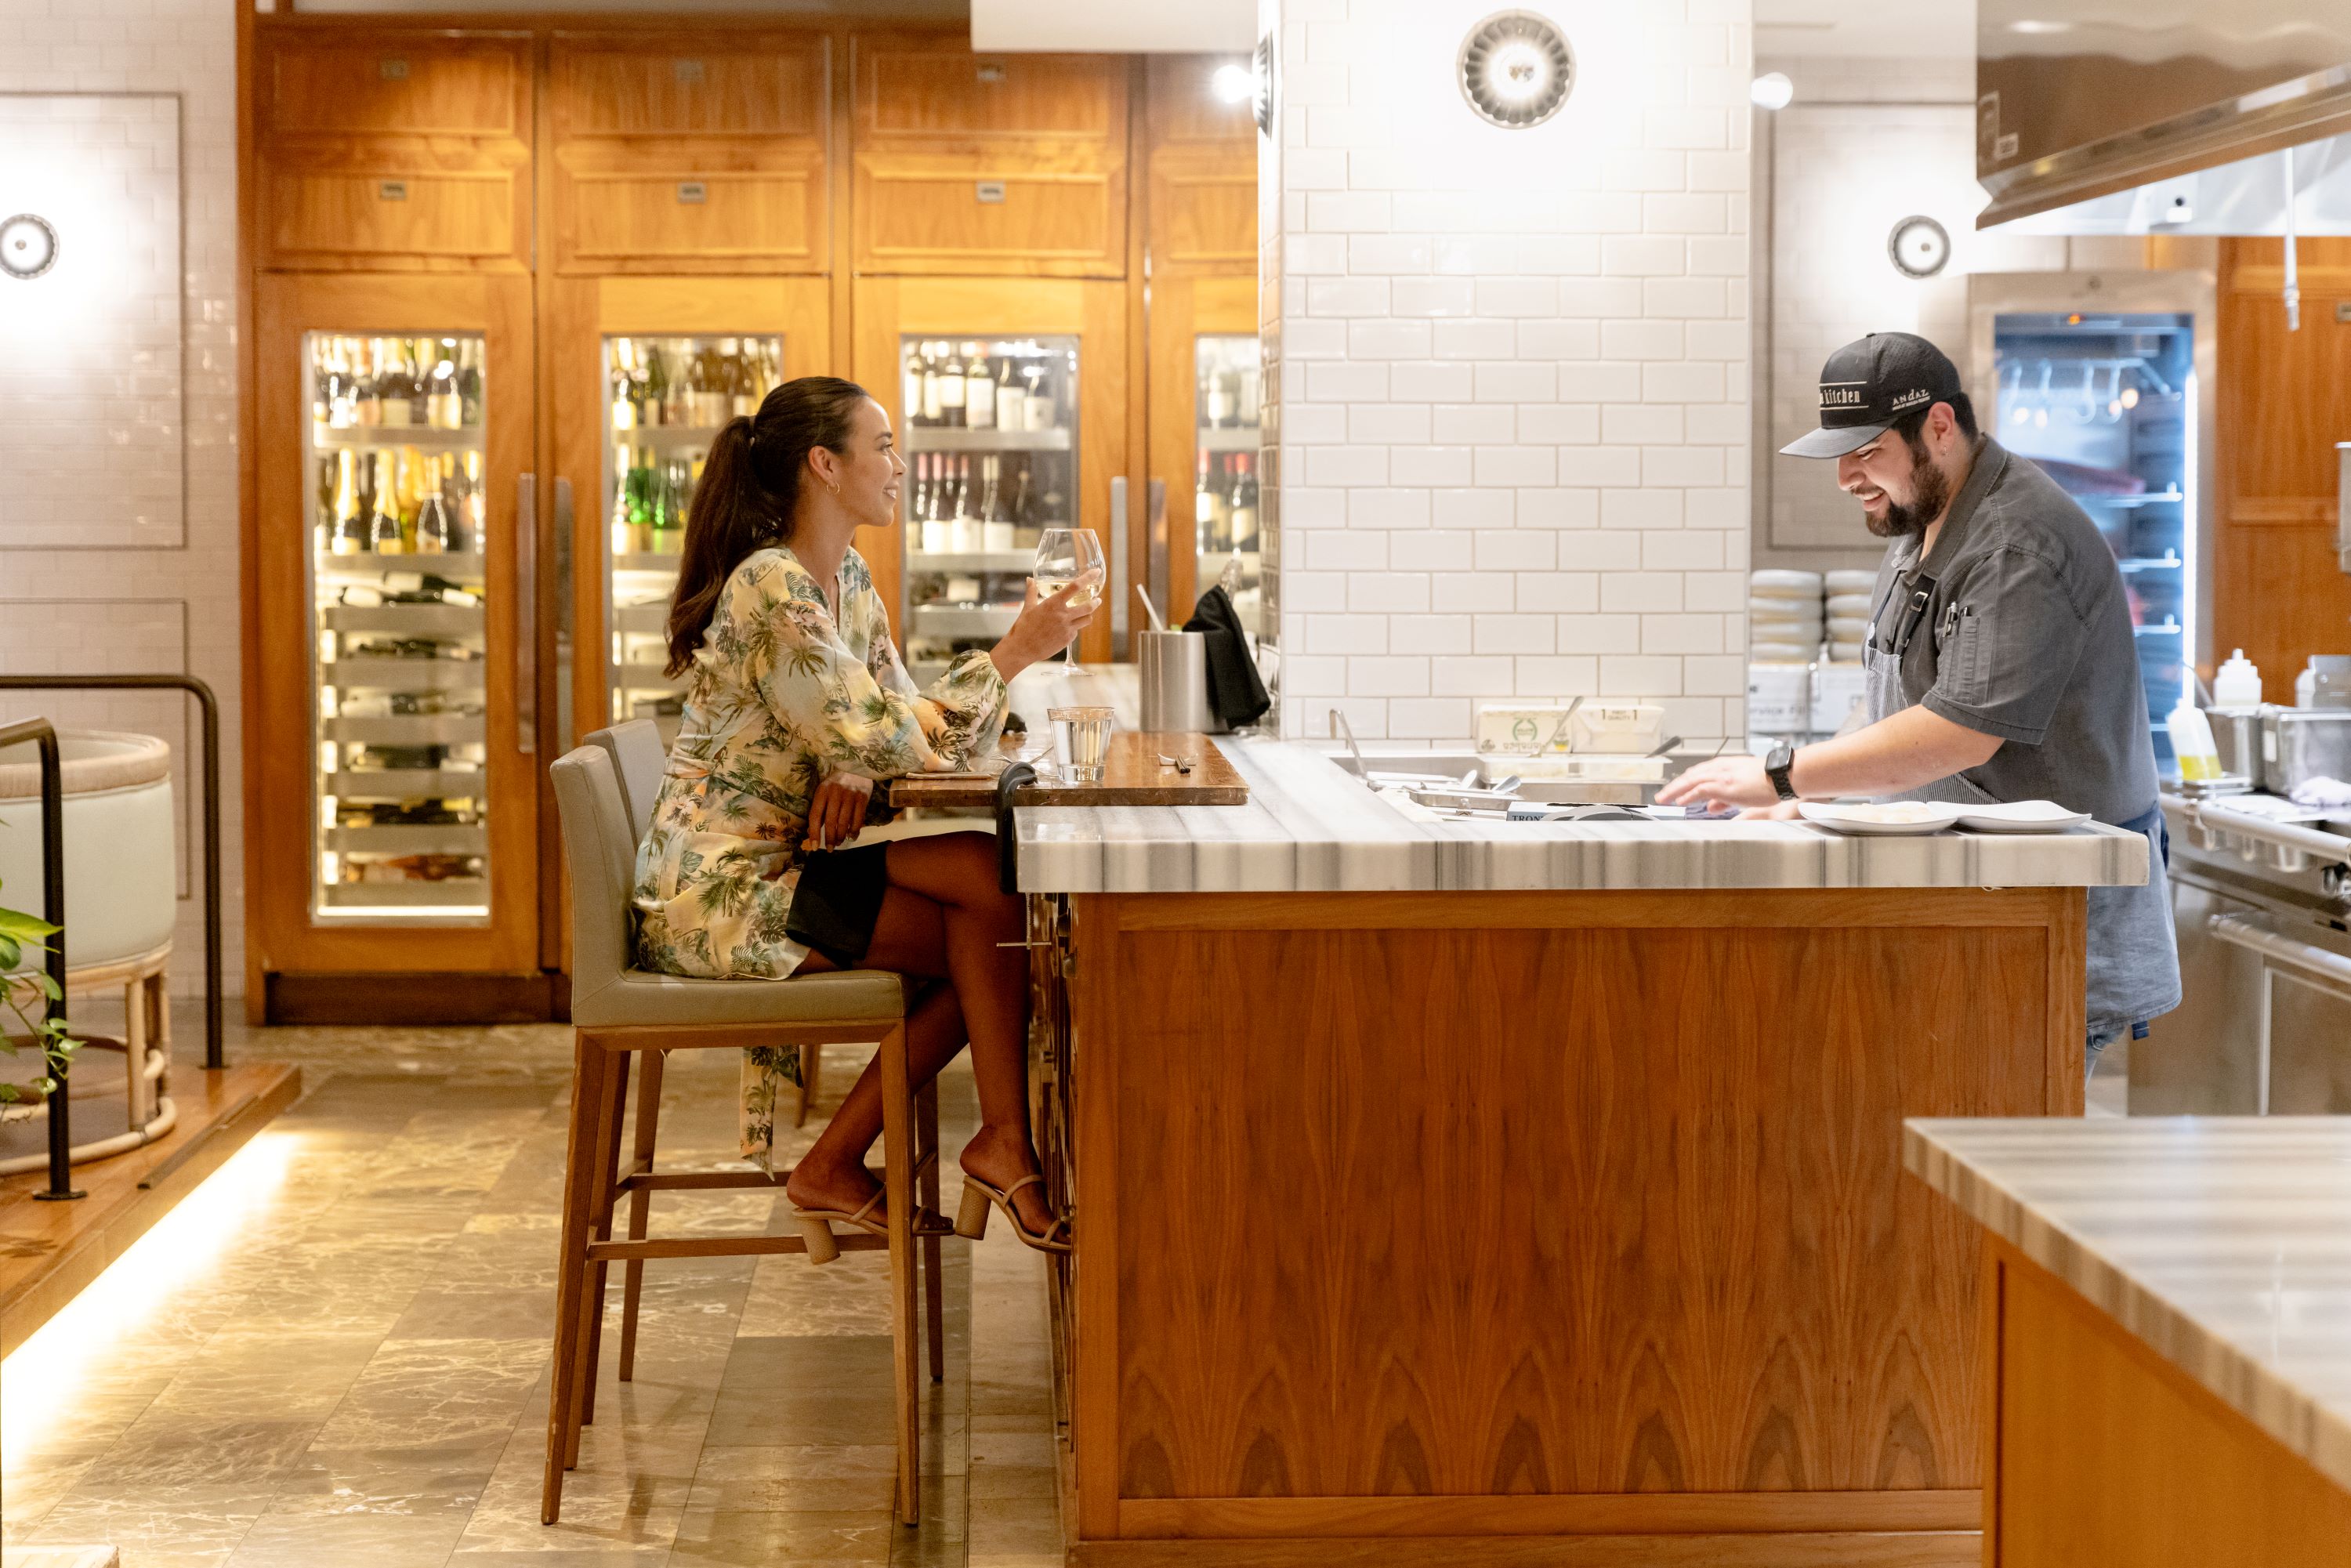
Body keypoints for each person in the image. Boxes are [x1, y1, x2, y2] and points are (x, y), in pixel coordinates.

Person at [632, 375, 1093, 1252]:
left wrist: (853, 753)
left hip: (782, 864)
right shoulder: (772, 586)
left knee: (989, 890)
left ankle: (942, 1151)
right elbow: (893, 734)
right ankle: (931, 1154)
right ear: (825, 464)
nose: (899, 465)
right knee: (990, 936)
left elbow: (895, 725)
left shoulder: (844, 576)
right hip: (717, 894)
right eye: (882, 447)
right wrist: (1012, 654)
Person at [1661, 331, 2179, 1082]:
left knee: (2006, 1130)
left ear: (1939, 426)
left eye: (1866, 452)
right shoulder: (1923, 523)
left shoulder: (2017, 543)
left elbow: (1958, 734)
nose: (1846, 477)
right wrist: (1809, 797)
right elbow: (1892, 702)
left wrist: (1783, 773)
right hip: (1980, 900)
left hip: (2052, 908)